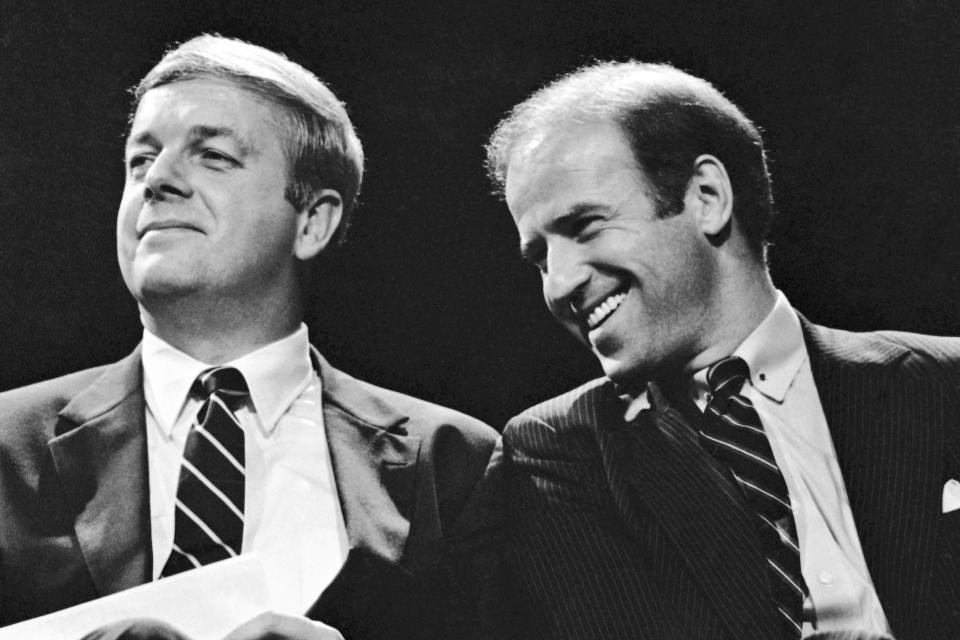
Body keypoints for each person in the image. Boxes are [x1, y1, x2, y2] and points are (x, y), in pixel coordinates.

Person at [0, 35, 503, 640]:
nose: (157, 180)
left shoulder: (454, 462)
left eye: (212, 155)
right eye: (140, 160)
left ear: (313, 221)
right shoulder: (6, 445)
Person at [485, 60, 960, 640]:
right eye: (540, 258)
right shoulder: (560, 451)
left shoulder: (945, 383)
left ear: (707, 197)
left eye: (584, 226)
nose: (558, 285)